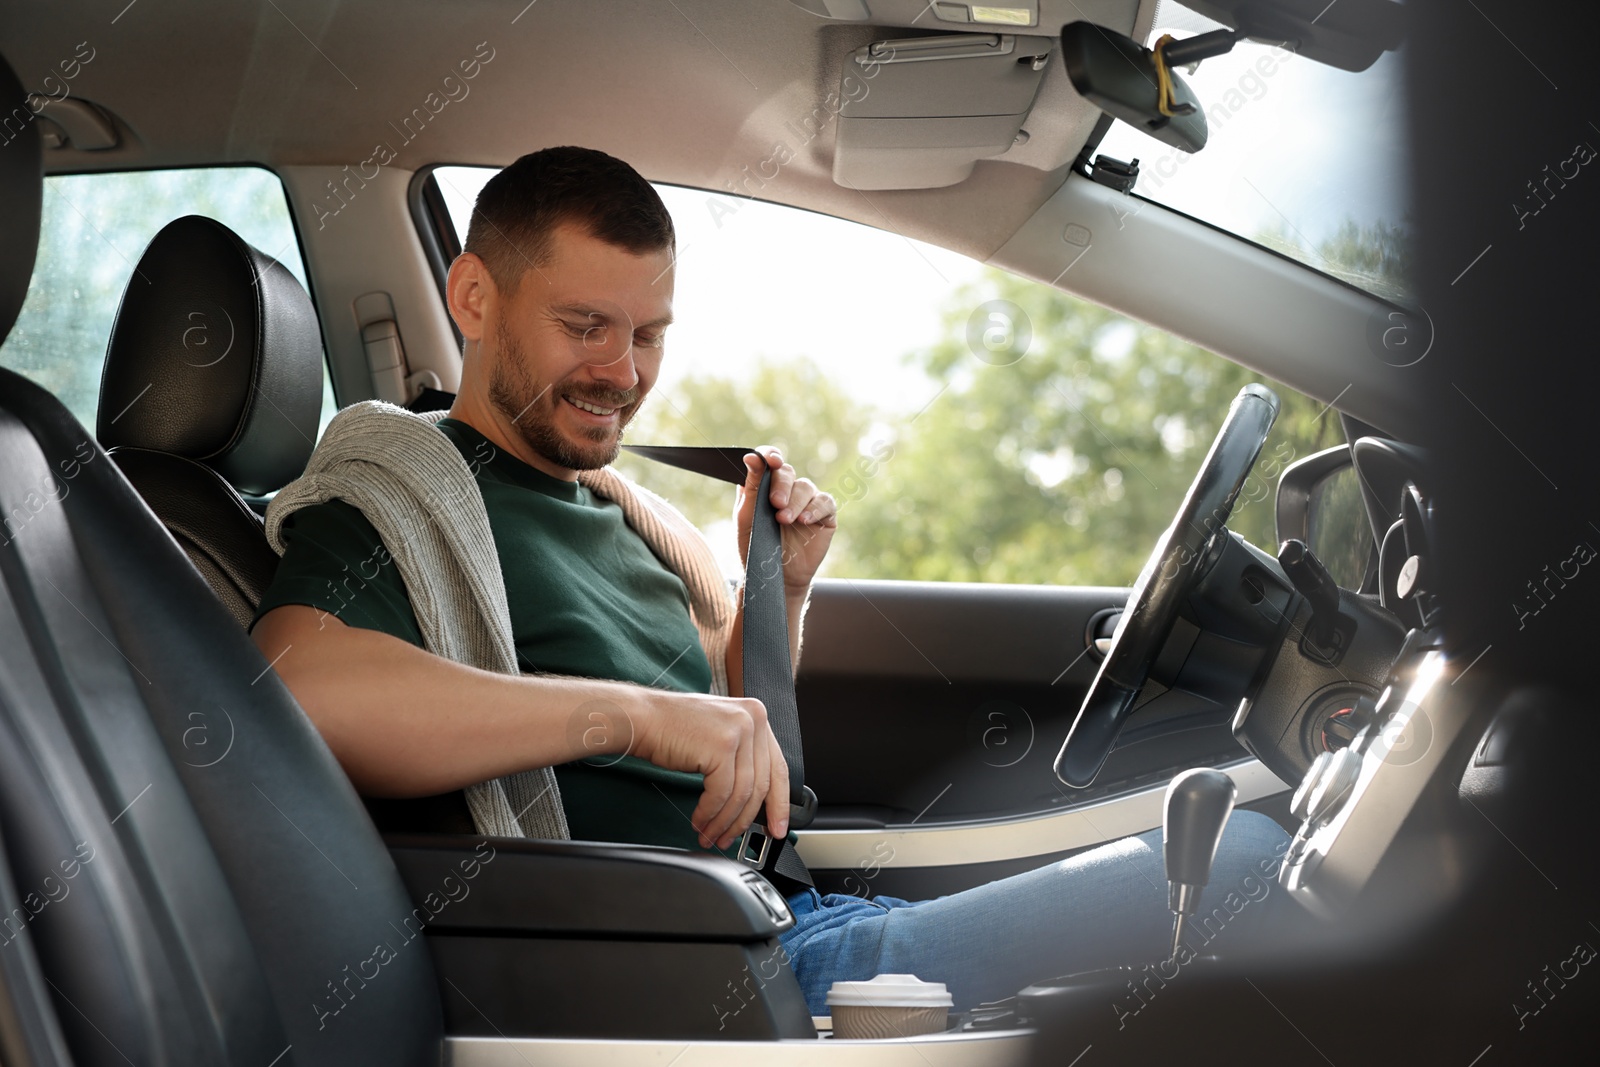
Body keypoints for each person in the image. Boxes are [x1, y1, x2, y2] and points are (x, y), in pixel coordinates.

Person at [251, 146, 1292, 1015]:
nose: (623, 370)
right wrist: (635, 717)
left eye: (648, 332)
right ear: (473, 297)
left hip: (781, 914)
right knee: (1241, 864)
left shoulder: (614, 506)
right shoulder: (402, 495)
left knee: (1227, 861)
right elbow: (302, 687)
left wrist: (779, 593)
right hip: (687, 972)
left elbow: (728, 734)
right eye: (584, 326)